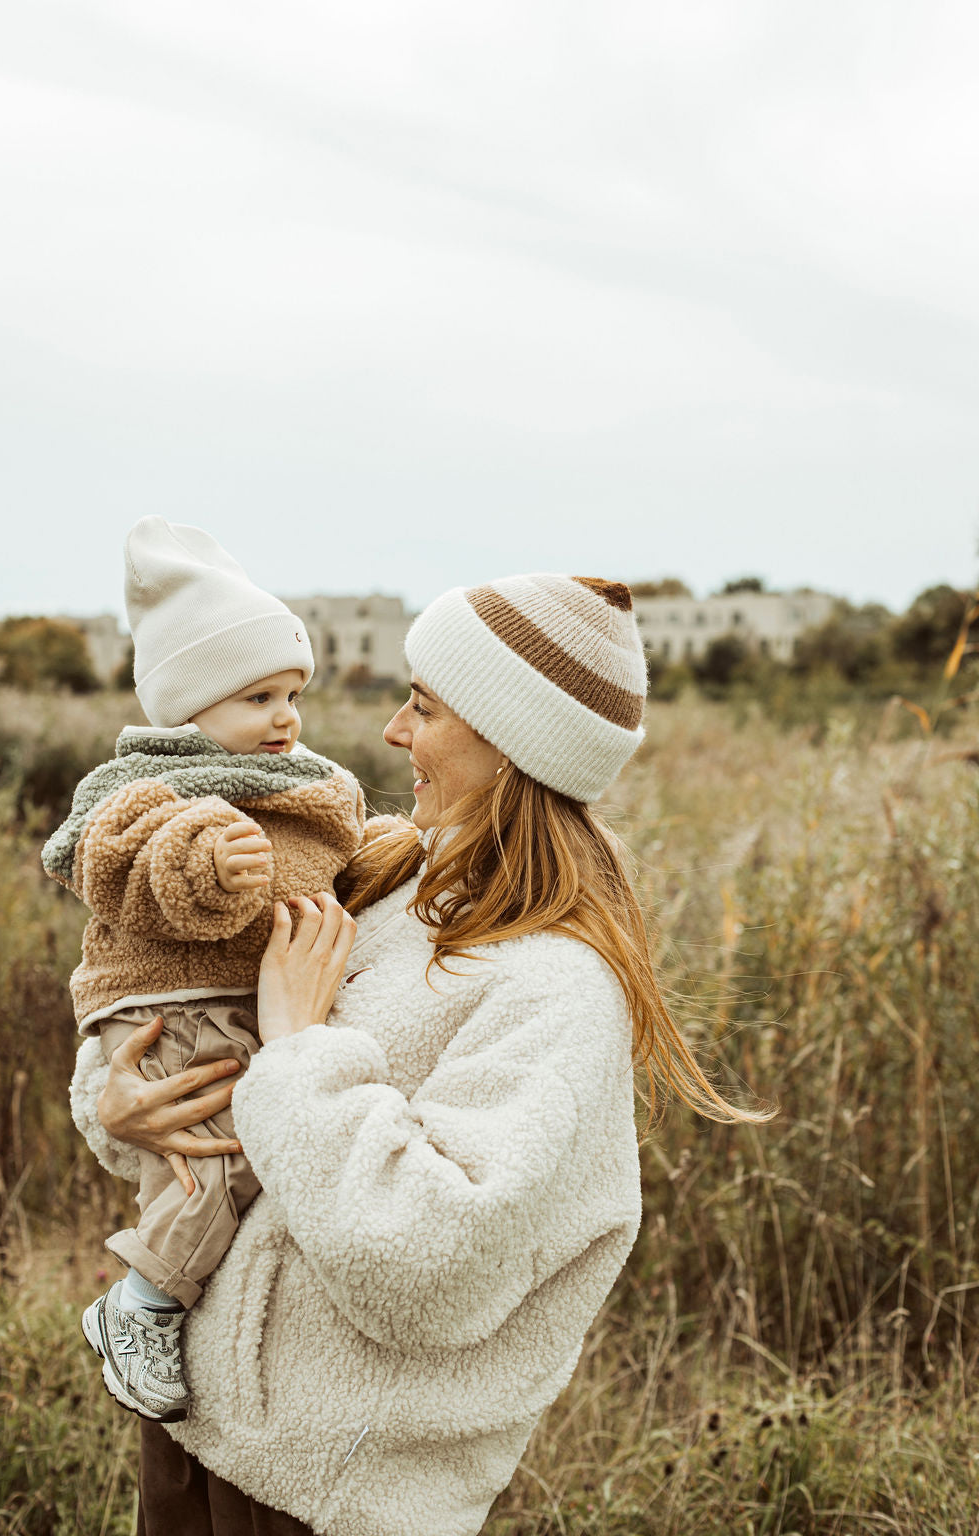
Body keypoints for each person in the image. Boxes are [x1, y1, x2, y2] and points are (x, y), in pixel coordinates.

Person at [70, 573, 767, 1536]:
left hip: (328, 1497)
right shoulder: (391, 877)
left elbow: (433, 1269)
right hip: (199, 1429)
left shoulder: (555, 987)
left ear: (510, 743)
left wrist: (302, 1049)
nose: (394, 732)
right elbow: (202, 1035)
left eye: (425, 707)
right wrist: (117, 1105)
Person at [43, 517, 363, 1423]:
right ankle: (139, 1304)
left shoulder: (299, 784)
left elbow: (334, 866)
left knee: (249, 1151)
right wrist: (203, 863)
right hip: (169, 1001)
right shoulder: (155, 788)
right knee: (215, 1159)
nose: (286, 717)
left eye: (292, 692)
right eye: (258, 696)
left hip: (237, 997)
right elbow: (116, 863)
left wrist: (390, 857)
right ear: (189, 708)